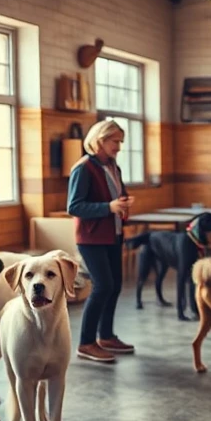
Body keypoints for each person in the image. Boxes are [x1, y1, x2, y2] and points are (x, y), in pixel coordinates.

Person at [67, 119, 135, 363]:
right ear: (100, 140)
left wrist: (123, 202)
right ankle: (86, 343)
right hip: (91, 238)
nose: (118, 146)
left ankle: (105, 336)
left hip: (113, 234)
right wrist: (109, 207)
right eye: (114, 141)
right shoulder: (83, 168)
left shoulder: (113, 166)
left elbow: (118, 194)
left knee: (115, 285)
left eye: (120, 142)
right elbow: (74, 206)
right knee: (103, 286)